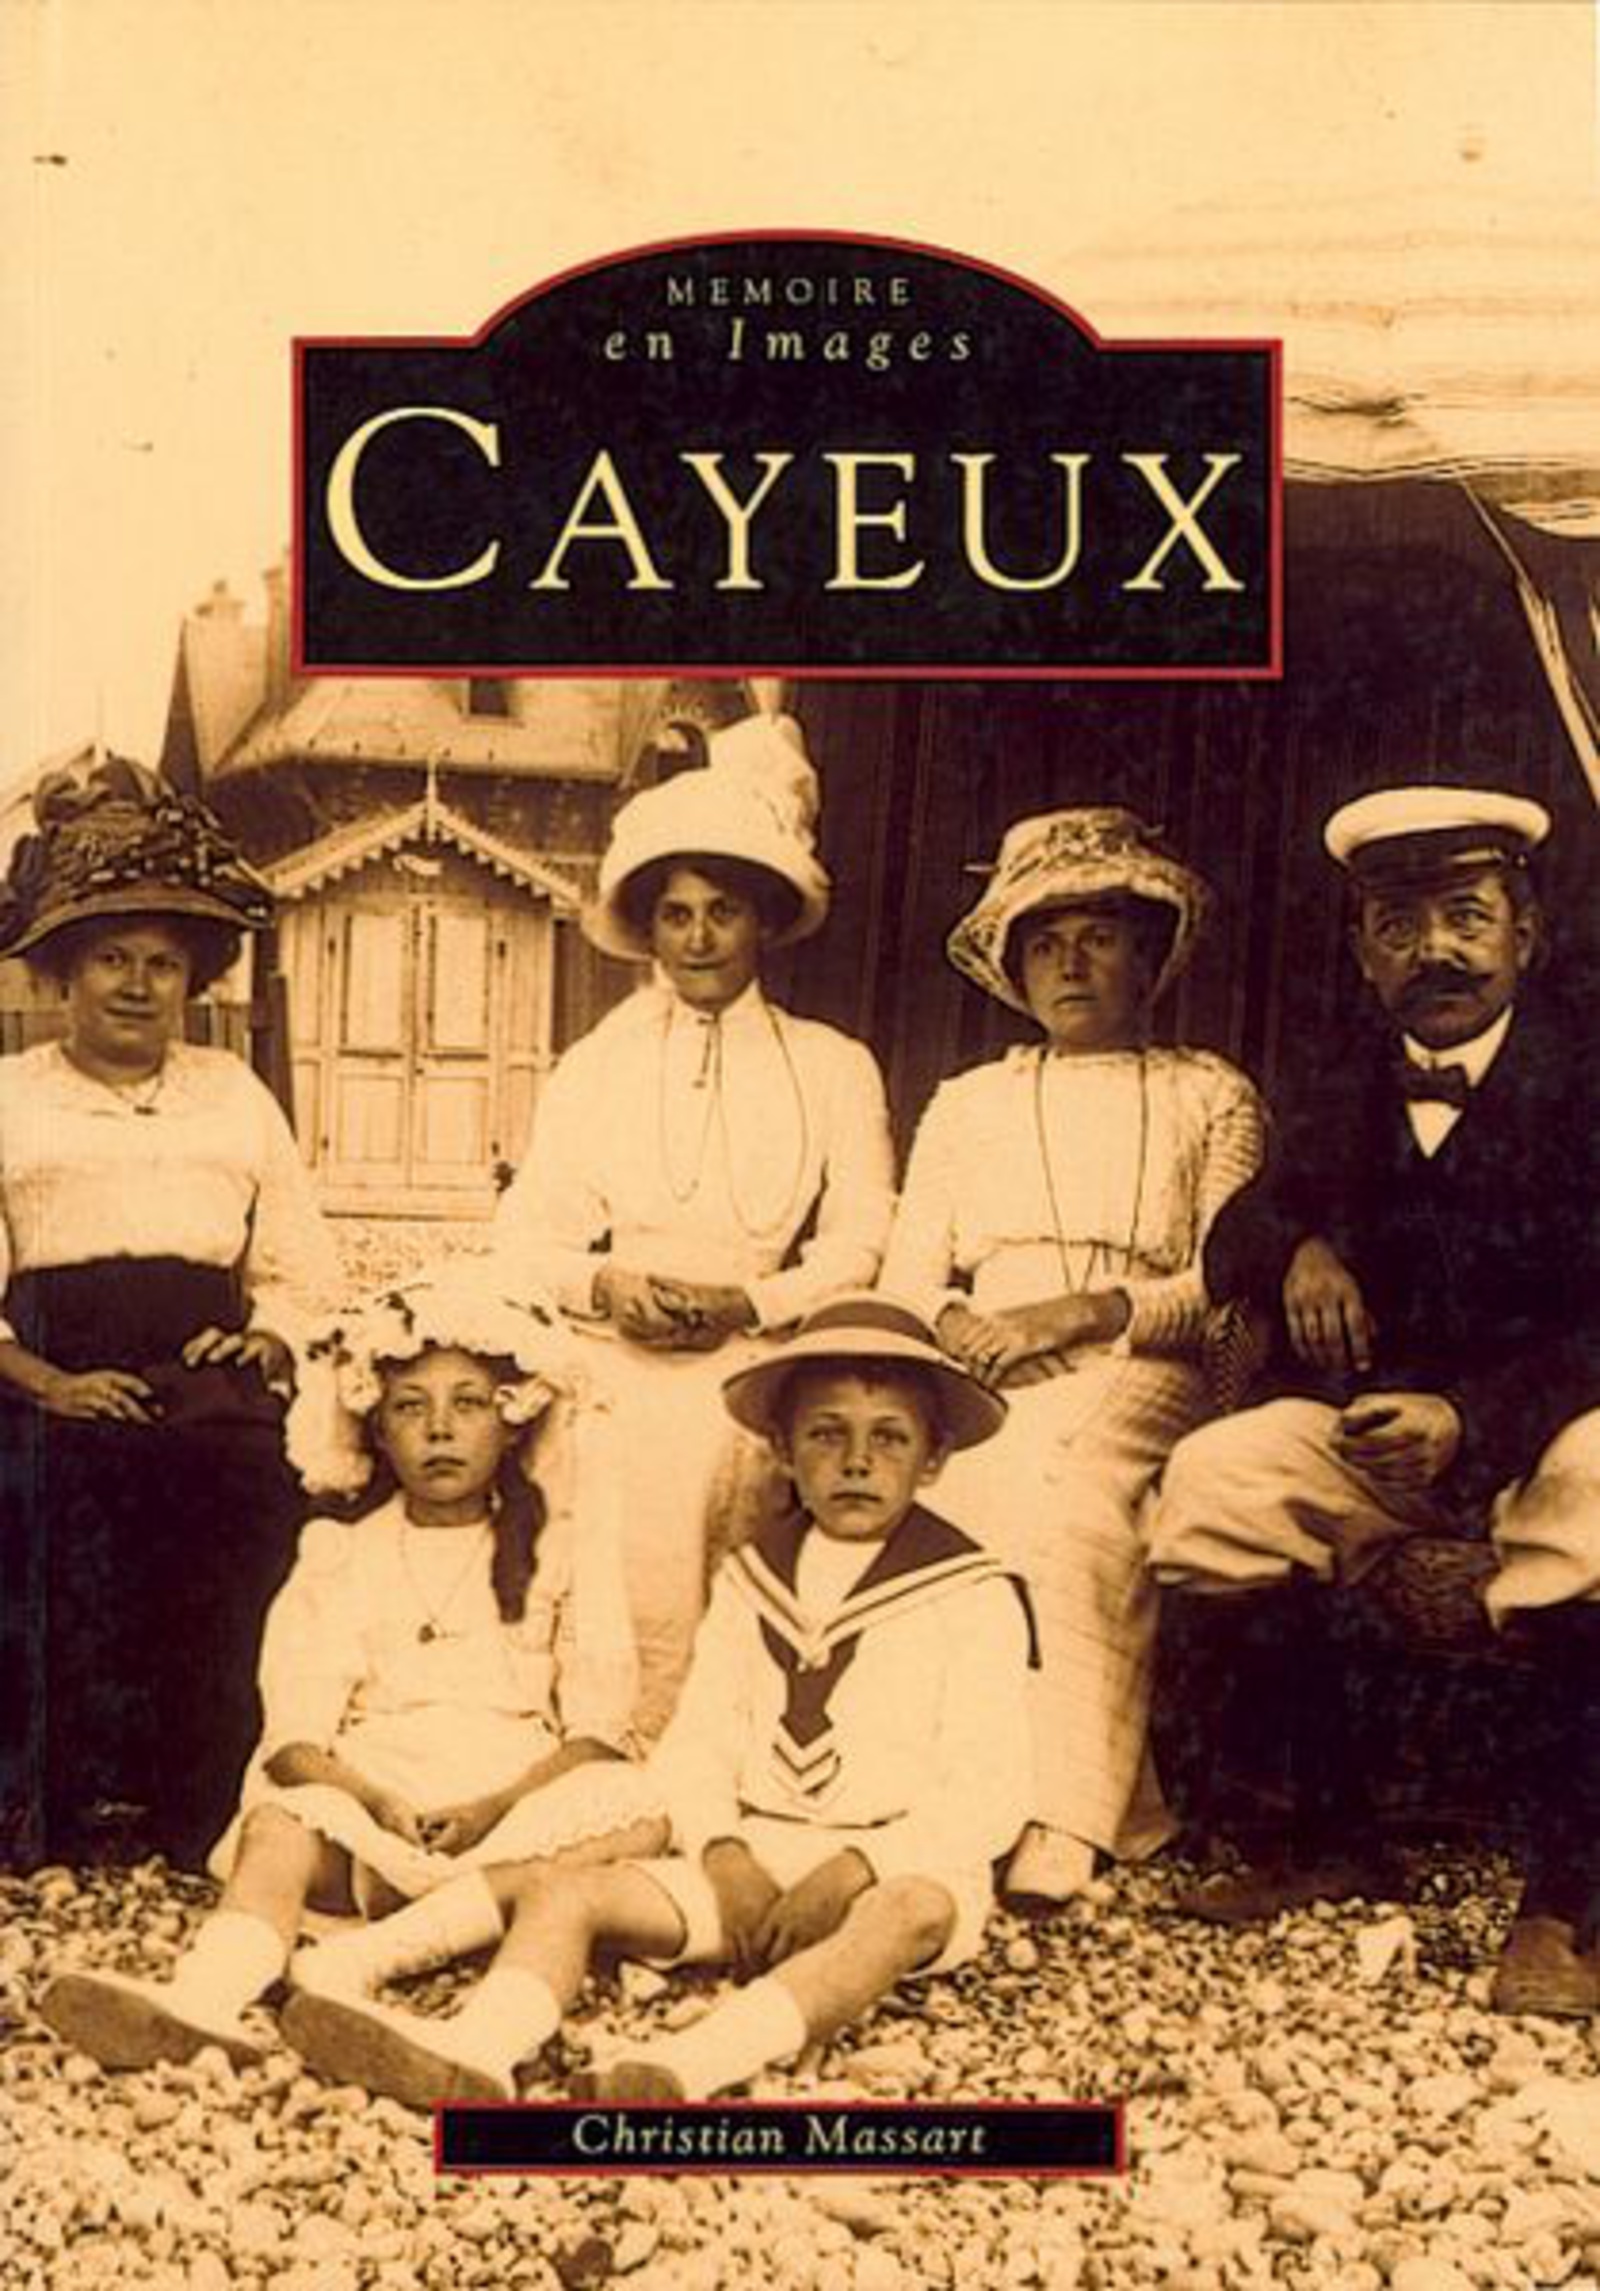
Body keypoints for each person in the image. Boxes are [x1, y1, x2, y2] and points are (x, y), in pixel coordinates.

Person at [274, 1293, 1032, 2107]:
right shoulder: (753, 1579)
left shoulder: (973, 1592)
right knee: (567, 1888)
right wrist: (724, 1850)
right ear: (781, 1449)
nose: (856, 1461)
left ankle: (689, 2065)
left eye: (889, 1437)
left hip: (898, 1861)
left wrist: (858, 1866)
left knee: (908, 1912)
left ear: (933, 1458)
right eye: (825, 1433)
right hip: (760, 1852)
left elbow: (989, 1789)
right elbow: (699, 1744)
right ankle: (477, 2043)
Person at [1146, 787, 1600, 2012]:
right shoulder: (1343, 1069)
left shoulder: (1586, 1070)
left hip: (1550, 1426)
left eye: (1465, 917)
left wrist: (1473, 1419)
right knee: (1216, 1484)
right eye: (1398, 926)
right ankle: (1319, 1834)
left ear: (1524, 933)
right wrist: (1298, 1249)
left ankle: (1569, 1907)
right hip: (1380, 1434)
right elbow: (1236, 1228)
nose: (1433, 951)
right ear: (1362, 949)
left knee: (1599, 1500)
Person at [38, 1275, 660, 2068]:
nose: (440, 1429)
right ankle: (206, 1996)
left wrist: (497, 1806)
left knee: (635, 1807)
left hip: (513, 1814)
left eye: (469, 1403)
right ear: (377, 1431)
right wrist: (372, 1800)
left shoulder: (559, 1549)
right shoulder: (340, 1552)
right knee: (279, 1823)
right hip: (376, 1808)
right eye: (410, 1407)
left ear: (511, 1424)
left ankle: (365, 1961)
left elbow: (598, 1729)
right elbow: (296, 1735)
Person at [881, 808, 1265, 1909]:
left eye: (1099, 937)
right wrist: (957, 1324)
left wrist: (1079, 1315)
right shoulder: (969, 1101)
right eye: (1045, 943)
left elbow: (1224, 1281)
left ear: (1150, 954)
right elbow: (909, 1274)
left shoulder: (1210, 1093)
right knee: (936, 1488)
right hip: (981, 1361)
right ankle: (951, 1792)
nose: (1071, 963)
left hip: (1140, 1358)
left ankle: (1067, 1814)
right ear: (1013, 968)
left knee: (1059, 1493)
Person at [491, 711, 895, 1740]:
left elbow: (860, 1243)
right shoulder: (599, 1064)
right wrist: (606, 1284)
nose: (700, 938)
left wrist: (749, 1301)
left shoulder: (832, 1064)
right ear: (650, 929)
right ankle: (601, 1738)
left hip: (759, 1346)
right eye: (676, 915)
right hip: (613, 1343)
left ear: (763, 920)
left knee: (718, 1451)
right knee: (600, 1445)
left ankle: (706, 1744)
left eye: (723, 911)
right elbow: (524, 1239)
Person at [0, 756, 338, 1867]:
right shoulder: (11, 1096)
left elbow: (297, 1262)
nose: (137, 986)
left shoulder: (233, 1091)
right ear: (62, 972)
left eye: (162, 963)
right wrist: (48, 1381)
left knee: (244, 1488)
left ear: (194, 977)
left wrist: (266, 1333)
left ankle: (200, 1799)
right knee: (50, 1500)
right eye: (111, 959)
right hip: (44, 1368)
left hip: (201, 1369)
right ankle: (49, 1801)